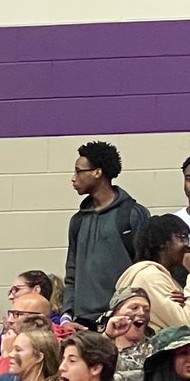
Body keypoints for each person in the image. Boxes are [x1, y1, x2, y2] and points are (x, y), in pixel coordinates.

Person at [64, 140, 151, 328]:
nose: (73, 178)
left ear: (97, 172)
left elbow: (147, 269)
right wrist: (67, 315)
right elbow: (71, 272)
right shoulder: (77, 221)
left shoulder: (133, 215)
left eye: (79, 171)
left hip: (121, 321)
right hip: (81, 324)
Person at [112, 214, 190, 336]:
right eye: (182, 237)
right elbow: (189, 329)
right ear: (161, 242)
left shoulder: (165, 275)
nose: (188, 245)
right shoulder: (150, 277)